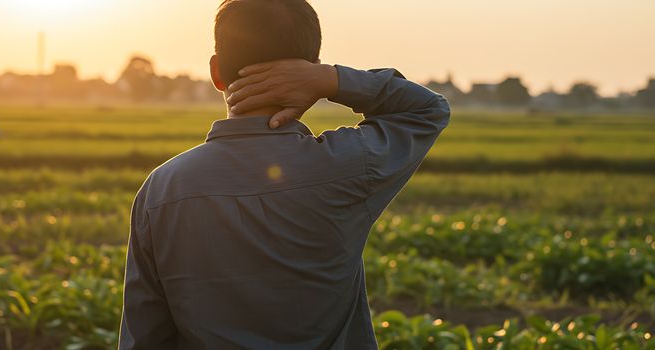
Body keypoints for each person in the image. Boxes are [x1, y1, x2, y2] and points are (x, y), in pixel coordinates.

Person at [118, 0, 450, 348]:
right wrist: (332, 79)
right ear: (311, 73)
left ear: (216, 73)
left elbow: (145, 336)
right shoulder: (347, 164)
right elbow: (426, 109)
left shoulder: (162, 189)